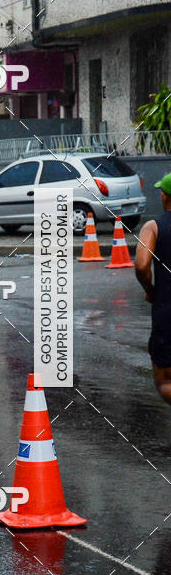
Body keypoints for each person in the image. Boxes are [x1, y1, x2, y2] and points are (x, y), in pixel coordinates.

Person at [136, 173, 171, 405]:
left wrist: (149, 288)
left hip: (167, 311)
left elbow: (141, 265)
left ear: (163, 195)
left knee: (165, 381)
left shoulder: (153, 227)